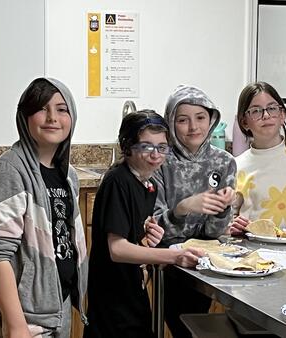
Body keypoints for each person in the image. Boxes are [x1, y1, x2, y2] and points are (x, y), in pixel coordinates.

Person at [0, 78, 87, 338]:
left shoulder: (68, 175)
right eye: (42, 108)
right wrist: (15, 323)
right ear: (25, 117)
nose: (52, 117)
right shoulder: (9, 171)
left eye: (61, 109)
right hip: (21, 311)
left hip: (56, 300)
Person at [84, 110, 204, 338]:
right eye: (146, 146)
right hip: (112, 298)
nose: (156, 154)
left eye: (162, 147)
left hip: (133, 291)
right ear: (128, 146)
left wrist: (149, 235)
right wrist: (174, 256)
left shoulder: (148, 185)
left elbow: (135, 236)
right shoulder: (118, 182)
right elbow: (117, 249)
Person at [153, 84, 236, 338]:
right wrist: (182, 209)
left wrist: (222, 211)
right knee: (180, 323)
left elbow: (216, 233)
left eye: (200, 118)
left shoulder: (224, 162)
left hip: (207, 263)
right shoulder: (160, 160)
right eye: (183, 120)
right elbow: (154, 228)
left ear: (211, 119)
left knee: (200, 325)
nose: (193, 127)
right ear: (170, 123)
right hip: (169, 262)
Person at [229, 82, 286, 235]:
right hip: (254, 249)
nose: (266, 115)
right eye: (256, 111)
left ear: (283, 115)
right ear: (244, 122)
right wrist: (233, 225)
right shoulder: (236, 165)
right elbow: (229, 217)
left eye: (272, 108)